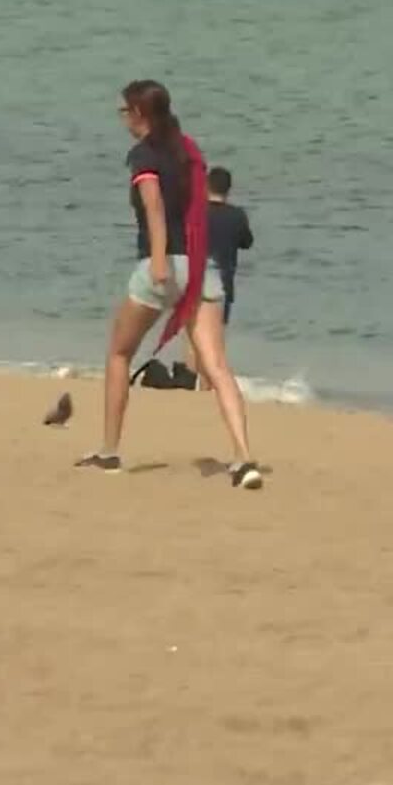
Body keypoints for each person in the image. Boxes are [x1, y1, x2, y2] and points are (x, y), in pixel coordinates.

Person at [80, 80, 263, 490]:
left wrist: (160, 258)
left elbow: (154, 205)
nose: (122, 118)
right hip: (201, 267)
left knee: (118, 353)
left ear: (139, 114)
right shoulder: (187, 152)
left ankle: (109, 452)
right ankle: (244, 458)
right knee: (217, 366)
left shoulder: (143, 155)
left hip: (161, 267)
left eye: (124, 111)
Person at [206, 167, 254, 326]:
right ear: (228, 189)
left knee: (193, 335)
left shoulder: (195, 212)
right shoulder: (237, 215)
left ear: (206, 186)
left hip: (193, 280)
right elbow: (247, 243)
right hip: (224, 282)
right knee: (216, 334)